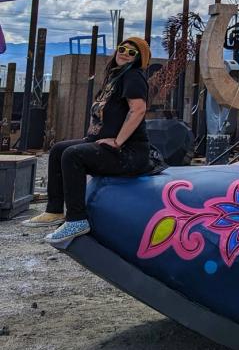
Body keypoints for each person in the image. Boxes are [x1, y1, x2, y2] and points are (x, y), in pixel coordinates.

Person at [23, 36, 152, 244]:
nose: (125, 53)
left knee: (73, 155)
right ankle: (55, 210)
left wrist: (118, 142)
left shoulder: (133, 76)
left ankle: (77, 220)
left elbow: (138, 110)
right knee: (58, 149)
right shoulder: (115, 77)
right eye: (122, 48)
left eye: (132, 52)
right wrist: (91, 138)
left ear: (138, 59)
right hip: (109, 146)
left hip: (129, 154)